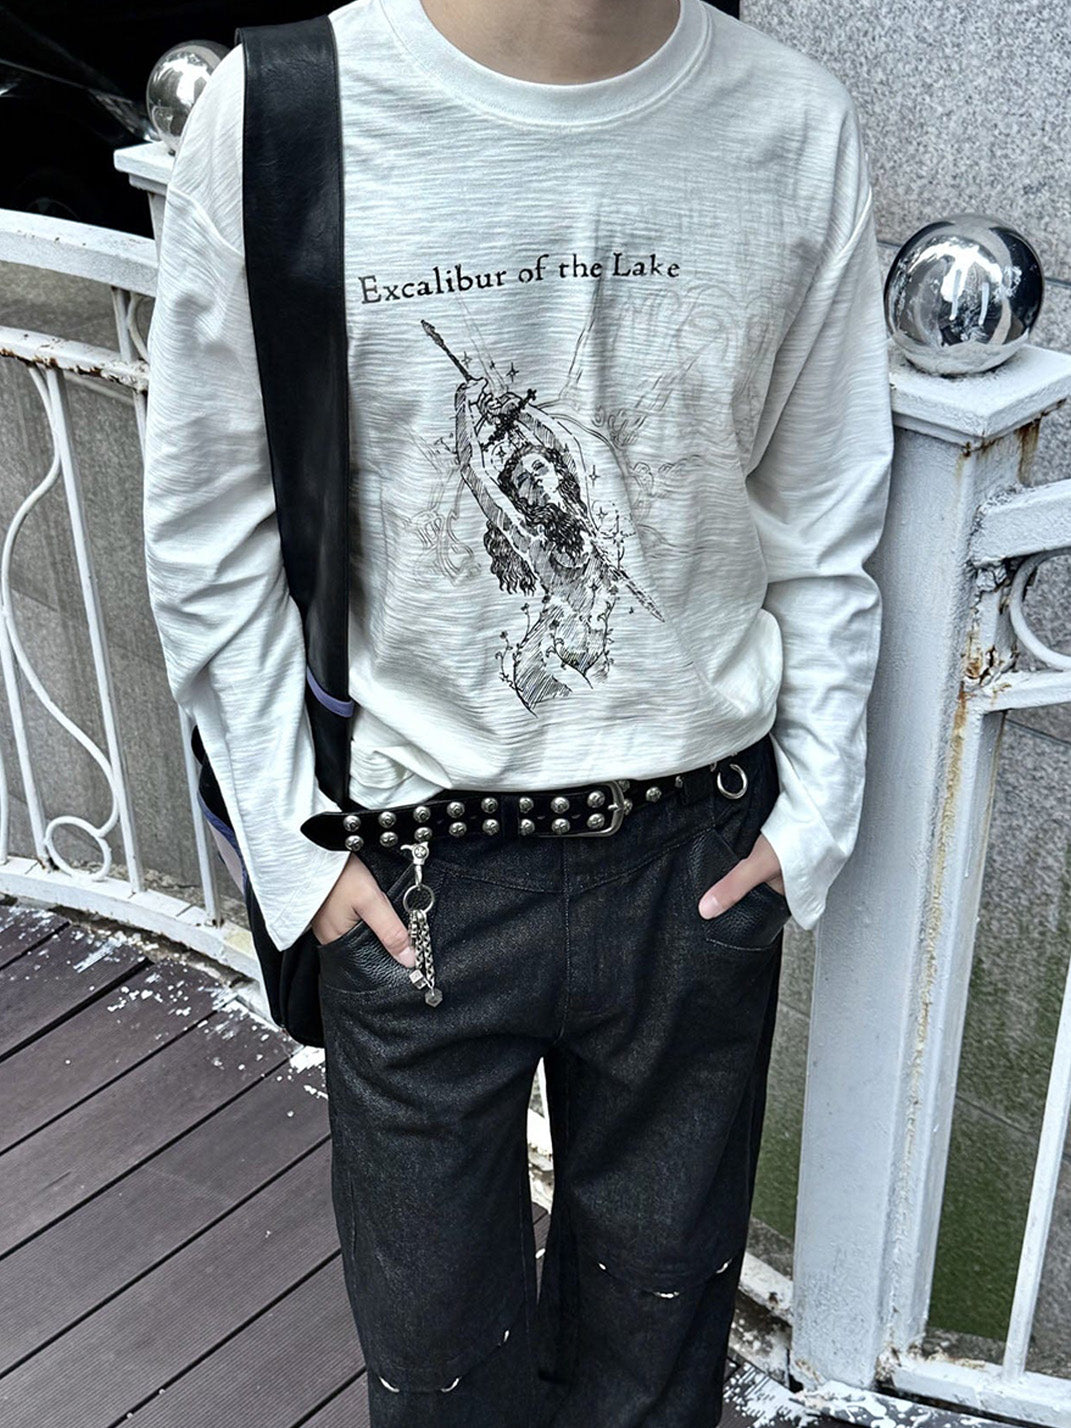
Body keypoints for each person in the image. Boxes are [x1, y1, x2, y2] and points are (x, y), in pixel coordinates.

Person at [142, 0, 894, 1421]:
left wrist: (813, 816)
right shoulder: (283, 112)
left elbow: (823, 516)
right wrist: (296, 858)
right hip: (410, 875)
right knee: (440, 1375)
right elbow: (208, 525)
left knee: (659, 1357)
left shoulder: (793, 127)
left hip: (697, 862)